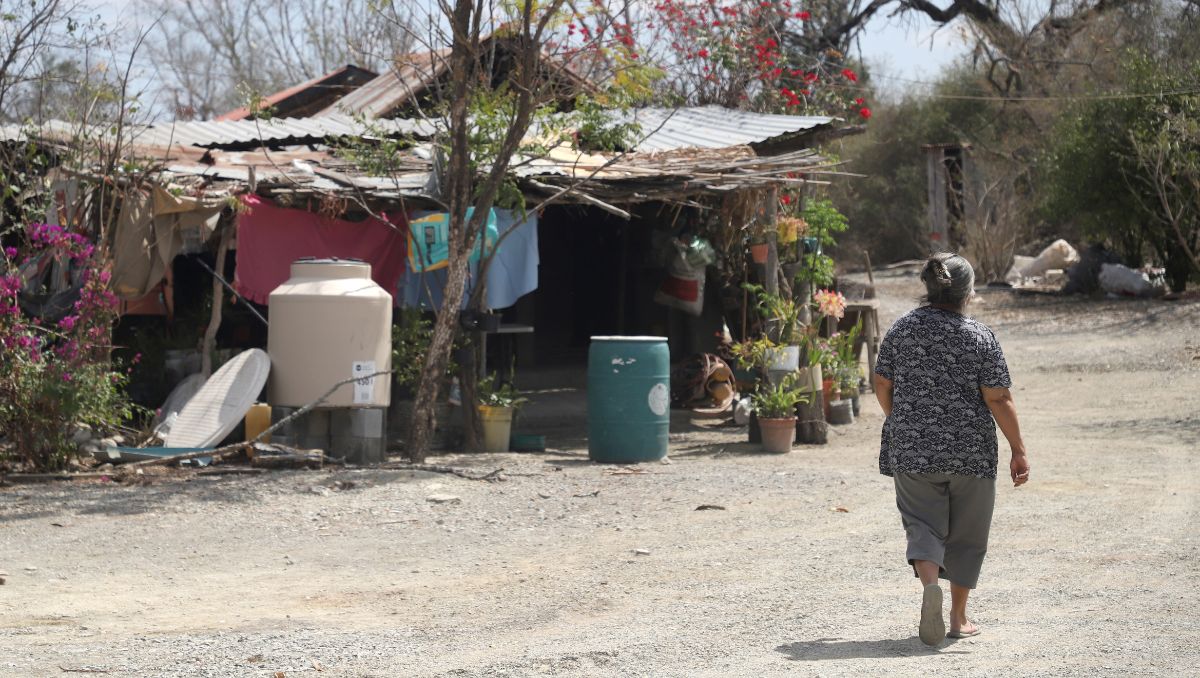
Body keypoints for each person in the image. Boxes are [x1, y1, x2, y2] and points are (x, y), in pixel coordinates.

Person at [873, 252, 1030, 646]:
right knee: (967, 535)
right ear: (968, 292)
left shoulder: (901, 330)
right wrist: (1018, 449)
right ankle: (959, 618)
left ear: (928, 287)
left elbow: (881, 383)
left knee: (922, 524)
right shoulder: (979, 336)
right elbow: (998, 398)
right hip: (970, 454)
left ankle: (930, 586)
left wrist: (902, 419)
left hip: (912, 450)